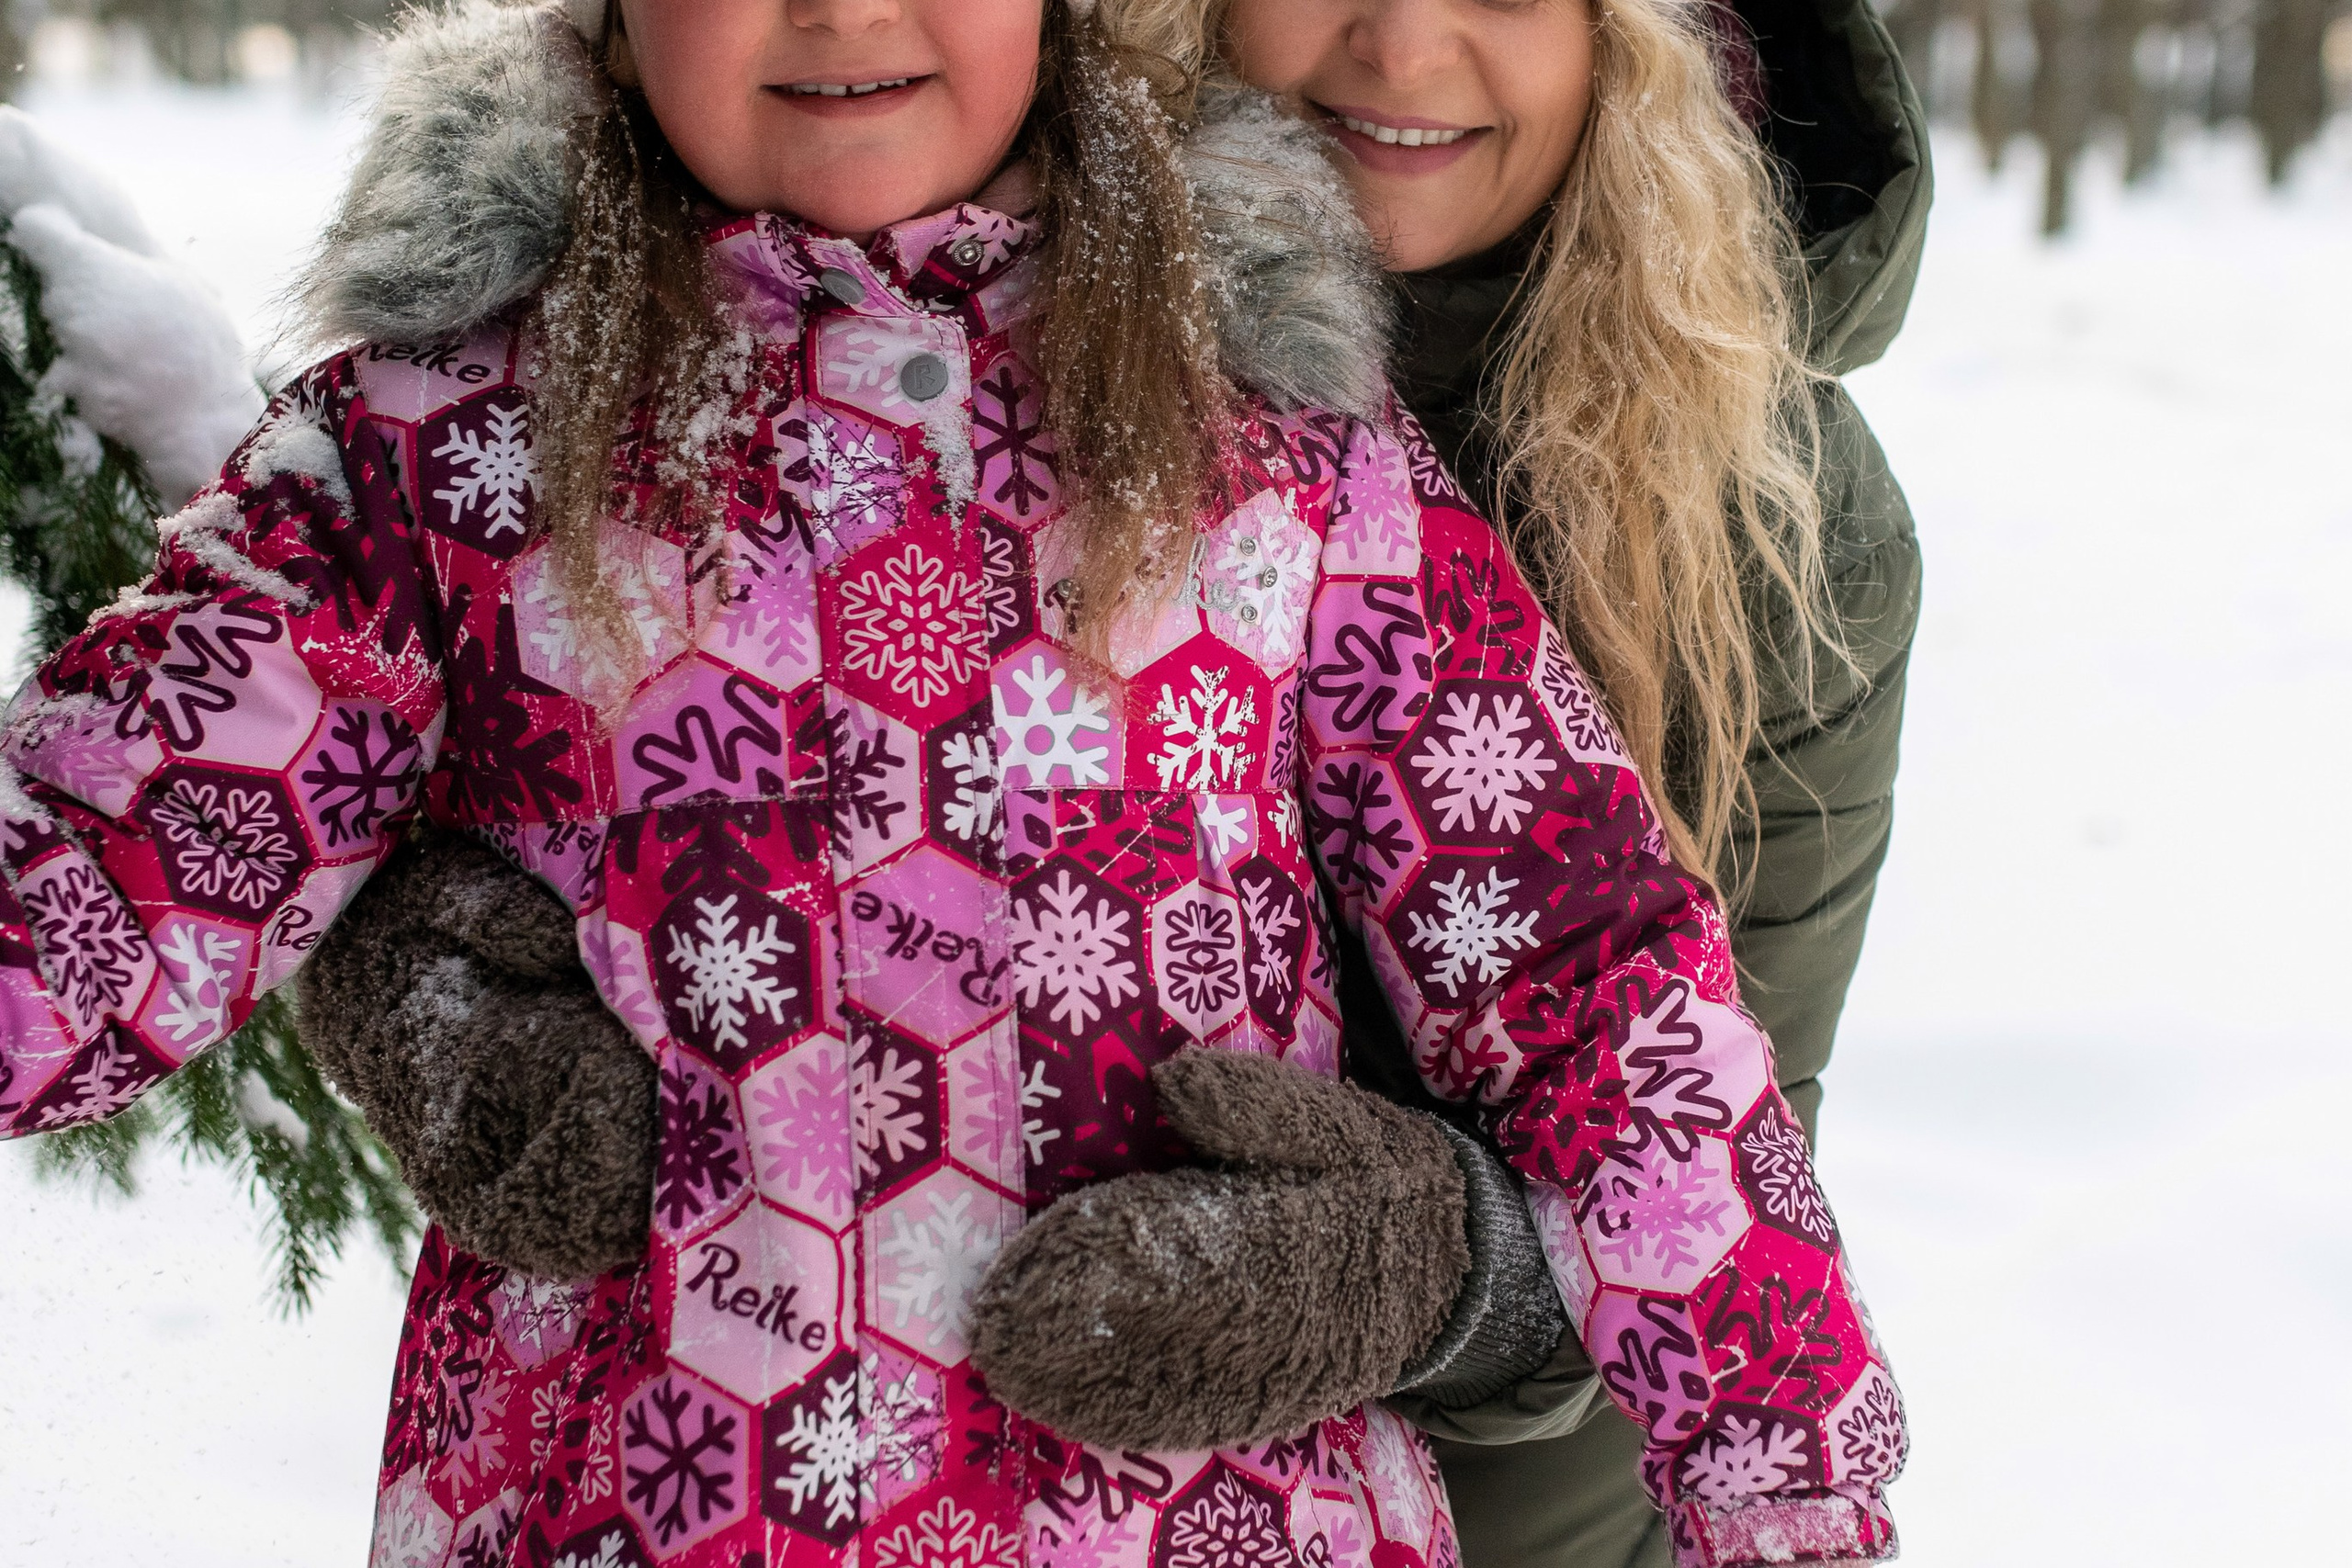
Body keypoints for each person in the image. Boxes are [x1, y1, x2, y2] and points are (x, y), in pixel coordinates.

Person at [0, 1, 1904, 1564]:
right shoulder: (442, 444)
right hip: (641, 1506)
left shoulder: (1274, 448)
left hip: (1208, 1518)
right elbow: (112, 847)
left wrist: (1782, 1466)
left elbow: (1586, 970)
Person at [1178, 1, 1933, 1563]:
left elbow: (1726, 1153)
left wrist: (1449, 1276)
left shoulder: (1770, 515)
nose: (1397, 45)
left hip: (1524, 1517)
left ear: (1639, 37)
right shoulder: (959, 345)